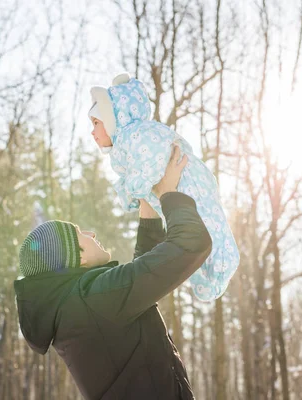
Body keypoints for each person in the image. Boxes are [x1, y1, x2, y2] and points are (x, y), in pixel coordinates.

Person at [14, 146, 211, 399]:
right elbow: (192, 243)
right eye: (80, 234)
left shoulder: (78, 308)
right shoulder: (92, 300)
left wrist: (147, 208)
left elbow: (138, 285)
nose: (91, 234)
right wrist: (168, 194)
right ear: (78, 257)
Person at [88, 72, 239, 301]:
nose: (92, 132)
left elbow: (153, 160)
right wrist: (132, 192)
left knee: (207, 222)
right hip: (175, 190)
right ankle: (208, 276)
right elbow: (138, 178)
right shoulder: (125, 143)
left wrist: (133, 189)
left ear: (112, 118)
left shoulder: (137, 133)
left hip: (189, 182)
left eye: (96, 123)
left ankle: (220, 265)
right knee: (192, 230)